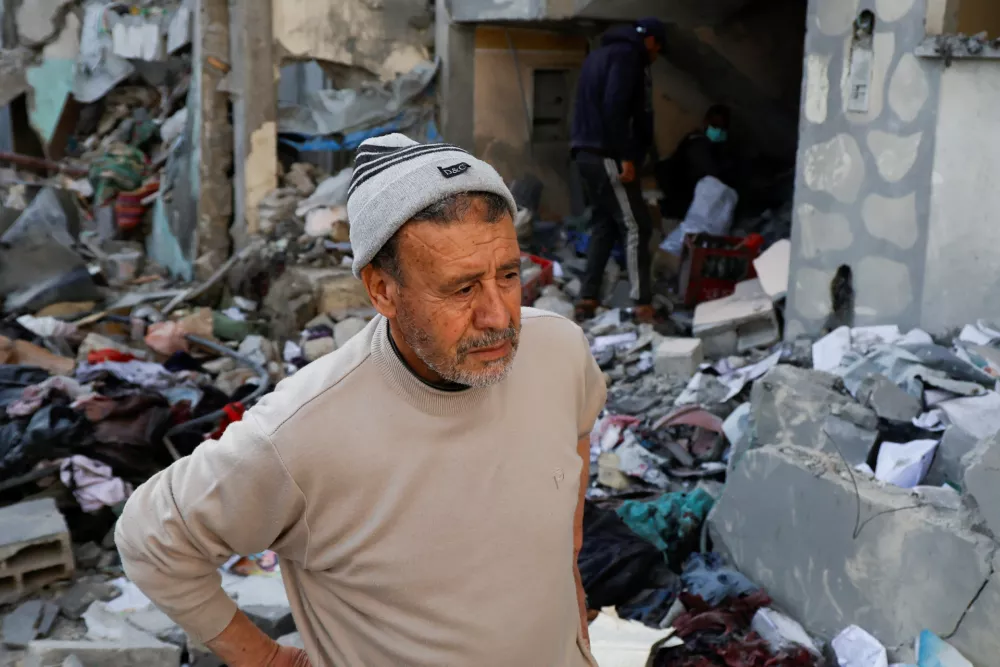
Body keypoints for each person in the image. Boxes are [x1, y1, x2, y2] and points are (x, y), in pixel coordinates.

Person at [115, 135, 607, 667]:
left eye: (508, 275)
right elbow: (151, 538)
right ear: (381, 291)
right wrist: (267, 659)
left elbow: (576, 431)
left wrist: (569, 581)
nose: (498, 316)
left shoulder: (558, 349)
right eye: (462, 289)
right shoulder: (301, 431)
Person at [570, 17, 666, 322]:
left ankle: (588, 298)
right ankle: (642, 304)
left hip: (585, 153)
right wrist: (626, 156)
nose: (656, 55)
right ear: (650, 41)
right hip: (607, 154)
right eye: (658, 48)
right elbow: (616, 107)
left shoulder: (599, 54)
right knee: (636, 224)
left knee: (604, 224)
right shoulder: (628, 57)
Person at [657, 104, 735, 220]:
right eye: (715, 126)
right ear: (706, 123)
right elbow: (714, 173)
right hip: (682, 194)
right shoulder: (698, 144)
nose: (718, 131)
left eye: (722, 128)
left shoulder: (715, 147)